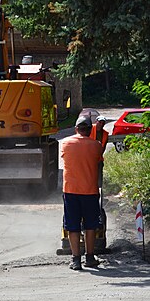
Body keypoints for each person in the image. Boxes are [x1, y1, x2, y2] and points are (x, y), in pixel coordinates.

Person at [60, 115, 104, 270]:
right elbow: (98, 159)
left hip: (71, 190)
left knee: (72, 226)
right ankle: (90, 257)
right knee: (90, 225)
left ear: (76, 129)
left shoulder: (65, 143)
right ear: (89, 130)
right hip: (90, 191)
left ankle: (76, 260)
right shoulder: (96, 145)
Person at [89, 115, 109, 188]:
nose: (101, 124)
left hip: (98, 158)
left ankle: (99, 189)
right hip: (88, 157)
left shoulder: (105, 134)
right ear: (96, 122)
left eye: (103, 123)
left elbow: (104, 147)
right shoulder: (89, 129)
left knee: (99, 174)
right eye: (100, 122)